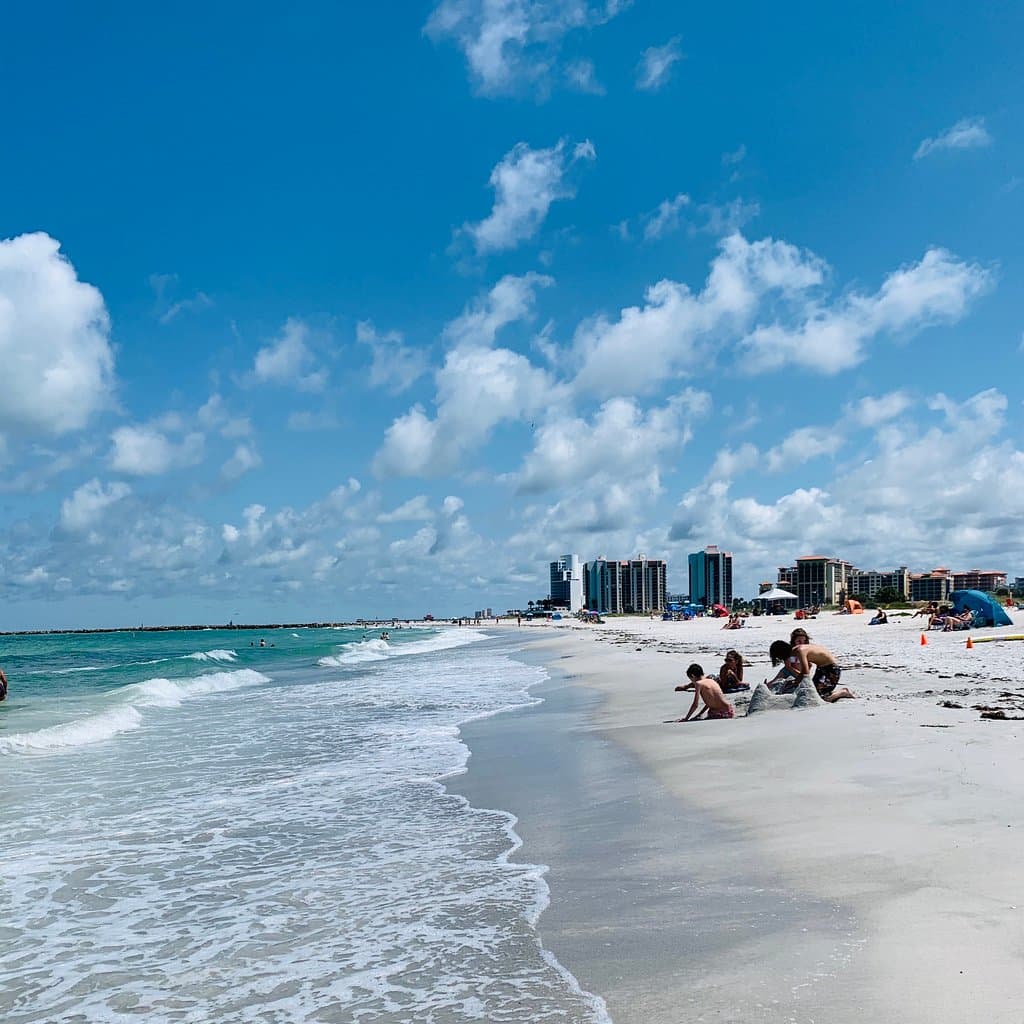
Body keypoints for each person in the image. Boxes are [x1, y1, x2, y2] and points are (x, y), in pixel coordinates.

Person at [769, 637, 855, 702]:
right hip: (821, 668)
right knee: (814, 691)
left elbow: (805, 672)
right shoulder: (796, 649)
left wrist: (796, 682)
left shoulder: (799, 651)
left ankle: (843, 692)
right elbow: (808, 666)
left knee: (820, 698)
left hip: (831, 669)